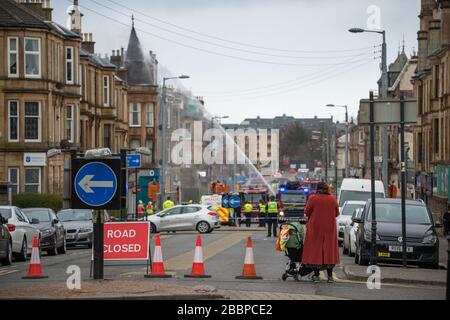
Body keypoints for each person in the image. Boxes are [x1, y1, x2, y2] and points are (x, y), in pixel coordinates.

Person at [299, 181, 340, 283]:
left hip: (315, 228)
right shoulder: (332, 199)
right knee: (329, 250)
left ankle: (316, 275)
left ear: (317, 189)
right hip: (329, 229)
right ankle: (330, 277)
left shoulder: (313, 198)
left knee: (315, 250)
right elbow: (336, 213)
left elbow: (307, 211)